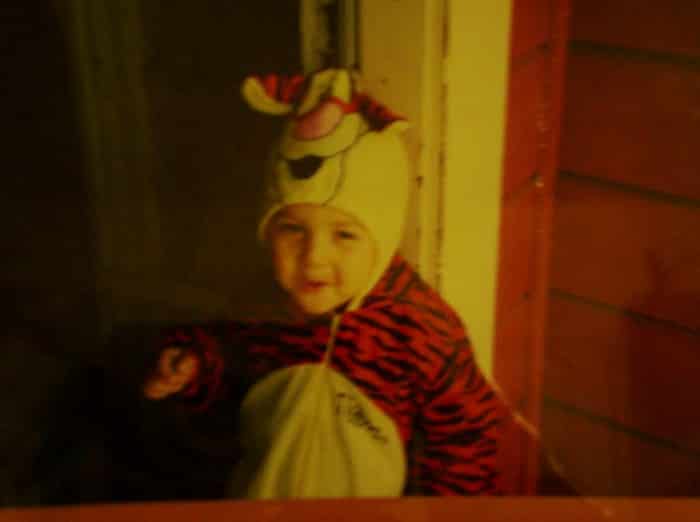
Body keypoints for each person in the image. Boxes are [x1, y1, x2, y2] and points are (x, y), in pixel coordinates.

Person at [143, 68, 507, 498]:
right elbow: (226, 378)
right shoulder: (258, 306)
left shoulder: (422, 329)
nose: (314, 257)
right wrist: (196, 366)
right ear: (267, 233)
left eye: (345, 235)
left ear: (382, 241)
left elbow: (467, 443)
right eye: (293, 230)